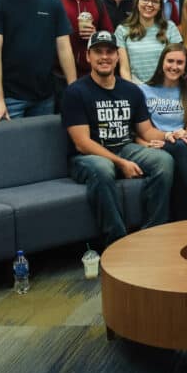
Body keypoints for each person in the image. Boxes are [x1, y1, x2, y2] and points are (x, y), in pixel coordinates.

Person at [63, 31, 173, 247]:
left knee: (164, 161)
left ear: (117, 57)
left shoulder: (130, 90)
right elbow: (82, 143)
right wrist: (120, 163)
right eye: (98, 52)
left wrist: (171, 134)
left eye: (110, 52)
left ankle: (153, 232)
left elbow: (147, 131)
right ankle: (117, 242)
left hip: (125, 147)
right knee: (103, 169)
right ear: (88, 57)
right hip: (86, 156)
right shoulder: (75, 92)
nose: (104, 57)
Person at [138, 43, 187, 219]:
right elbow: (137, 132)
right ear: (162, 63)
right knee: (176, 163)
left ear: (185, 68)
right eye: (170, 61)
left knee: (181, 147)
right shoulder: (143, 92)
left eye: (179, 63)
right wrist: (149, 145)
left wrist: (183, 135)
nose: (174, 66)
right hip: (156, 147)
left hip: (186, 148)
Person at [52, 0, 114, 78]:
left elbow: (109, 36)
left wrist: (96, 35)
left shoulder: (97, 2)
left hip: (90, 74)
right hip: (57, 74)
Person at [116, 0, 183, 83]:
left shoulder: (170, 27)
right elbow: (124, 69)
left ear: (160, 6)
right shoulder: (122, 30)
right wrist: (131, 90)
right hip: (136, 89)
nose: (150, 4)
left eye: (155, 1)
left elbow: (176, 64)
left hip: (164, 88)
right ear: (137, 2)